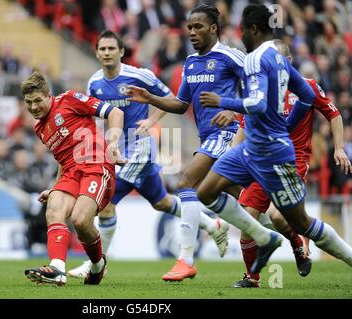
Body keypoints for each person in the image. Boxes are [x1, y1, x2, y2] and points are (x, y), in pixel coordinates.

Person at [197, 4, 352, 276]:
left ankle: (298, 243)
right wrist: (233, 149)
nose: (241, 35)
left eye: (244, 30)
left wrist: (225, 102)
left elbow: (317, 105)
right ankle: (253, 275)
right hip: (252, 153)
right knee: (219, 199)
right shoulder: (258, 70)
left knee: (291, 219)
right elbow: (248, 118)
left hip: (285, 156)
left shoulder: (264, 64)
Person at [69, 29, 229, 279]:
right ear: (97, 53)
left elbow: (170, 99)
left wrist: (151, 120)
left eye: (112, 48)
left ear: (121, 52)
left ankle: (96, 266)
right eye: (103, 49)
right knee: (161, 202)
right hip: (119, 150)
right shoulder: (94, 83)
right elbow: (98, 116)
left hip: (141, 147)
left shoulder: (139, 75)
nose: (107, 53)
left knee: (106, 202)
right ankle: (212, 224)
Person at [126, 4, 245, 282]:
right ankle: (284, 235)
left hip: (226, 134)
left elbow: (259, 83)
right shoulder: (191, 63)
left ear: (213, 28)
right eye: (190, 27)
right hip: (208, 137)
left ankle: (186, 259)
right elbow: (180, 104)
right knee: (246, 198)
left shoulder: (230, 56)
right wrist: (150, 98)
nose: (192, 32)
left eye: (198, 27)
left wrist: (233, 108)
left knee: (185, 183)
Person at [230, 39, 351, 288]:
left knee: (277, 215)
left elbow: (334, 113)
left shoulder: (307, 87)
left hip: (293, 160)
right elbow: (243, 128)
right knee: (246, 219)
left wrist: (339, 147)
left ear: (289, 62)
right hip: (261, 161)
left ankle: (298, 243)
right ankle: (253, 277)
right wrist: (230, 161)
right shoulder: (258, 91)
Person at [22, 72, 125, 286]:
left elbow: (115, 112)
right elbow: (63, 157)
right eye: (28, 102)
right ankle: (58, 268)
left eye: (38, 100)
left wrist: (113, 144)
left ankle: (97, 265)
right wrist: (55, 188)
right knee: (53, 207)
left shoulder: (69, 100)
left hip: (96, 164)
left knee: (80, 220)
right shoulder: (39, 128)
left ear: (49, 96)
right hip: (70, 172)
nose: (33, 107)